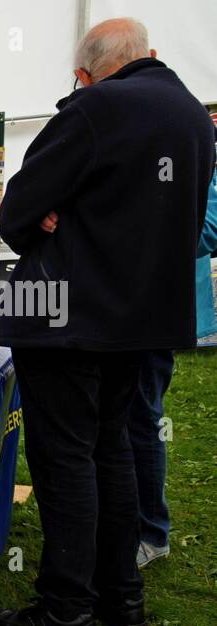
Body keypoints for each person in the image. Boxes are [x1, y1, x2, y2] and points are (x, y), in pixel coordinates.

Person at [0, 18, 213, 626]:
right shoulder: (195, 117)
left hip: (69, 317)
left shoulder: (94, 109)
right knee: (114, 454)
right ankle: (122, 600)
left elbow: (19, 210)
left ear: (86, 73)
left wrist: (54, 215)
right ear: (150, 57)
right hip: (139, 321)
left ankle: (66, 615)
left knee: (65, 466)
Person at [127, 168, 217, 569]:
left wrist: (134, 226)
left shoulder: (193, 150)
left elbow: (208, 229)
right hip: (114, 309)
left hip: (157, 312)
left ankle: (151, 532)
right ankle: (123, 522)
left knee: (143, 416)